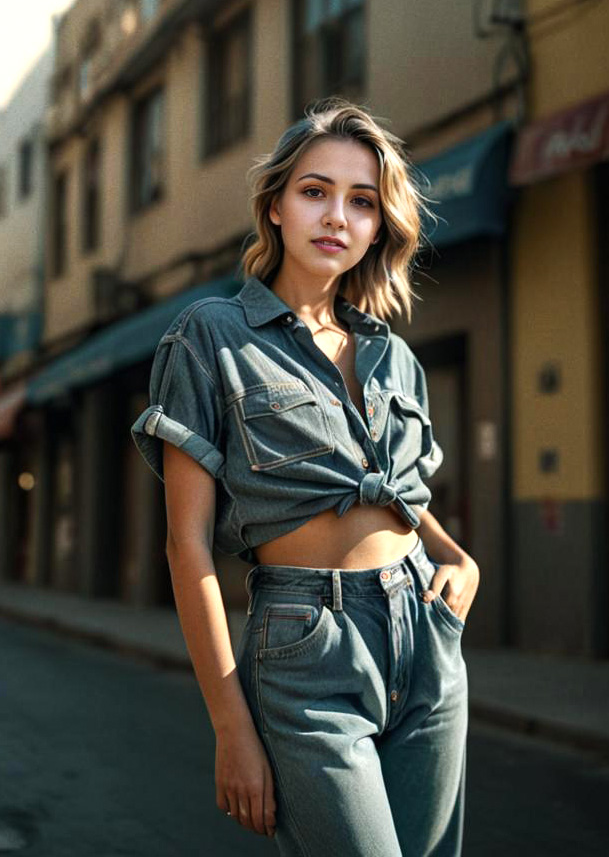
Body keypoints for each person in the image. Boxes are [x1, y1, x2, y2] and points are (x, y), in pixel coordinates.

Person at [131, 97, 480, 856]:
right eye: (314, 191)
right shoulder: (210, 334)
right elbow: (185, 548)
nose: (337, 216)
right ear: (276, 206)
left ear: (379, 226)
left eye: (361, 201)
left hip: (424, 635)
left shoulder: (394, 355)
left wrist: (456, 556)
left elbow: (398, 495)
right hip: (305, 643)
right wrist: (230, 725)